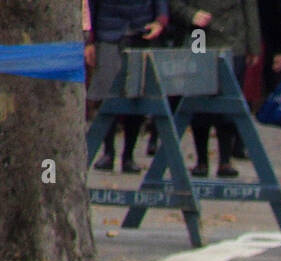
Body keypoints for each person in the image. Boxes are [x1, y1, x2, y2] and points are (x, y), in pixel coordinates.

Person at [170, 1, 261, 177]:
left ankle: (225, 160)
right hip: (199, 37)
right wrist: (191, 14)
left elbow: (250, 8)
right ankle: (202, 161)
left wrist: (253, 45)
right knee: (197, 101)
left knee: (229, 103)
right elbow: (174, 3)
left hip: (233, 40)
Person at [86, 0, 170, 173]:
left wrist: (160, 21)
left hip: (141, 32)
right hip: (108, 35)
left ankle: (128, 156)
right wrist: (88, 41)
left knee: (137, 96)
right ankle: (108, 152)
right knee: (106, 95)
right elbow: (89, 7)